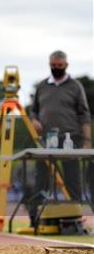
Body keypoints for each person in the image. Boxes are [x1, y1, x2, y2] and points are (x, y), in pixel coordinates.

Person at [29, 50, 92, 225]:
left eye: (60, 66)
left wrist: (87, 141)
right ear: (49, 65)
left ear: (66, 65)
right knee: (41, 177)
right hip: (46, 140)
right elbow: (33, 110)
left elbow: (84, 115)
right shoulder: (42, 86)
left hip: (70, 139)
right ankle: (35, 217)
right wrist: (34, 120)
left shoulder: (75, 86)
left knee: (72, 178)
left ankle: (75, 218)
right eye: (53, 66)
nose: (56, 68)